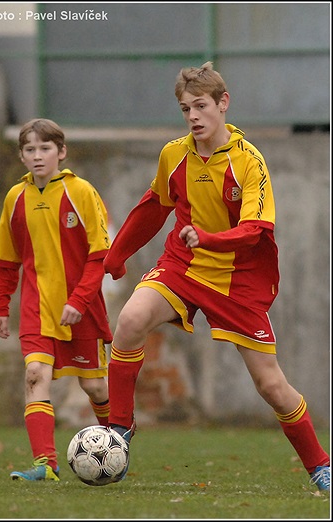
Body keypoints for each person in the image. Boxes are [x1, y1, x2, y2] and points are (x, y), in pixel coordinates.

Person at [103, 62, 330, 491]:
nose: (192, 116)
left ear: (223, 104)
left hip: (236, 280)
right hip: (182, 266)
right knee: (130, 321)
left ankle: (321, 465)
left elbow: (255, 231)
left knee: (271, 385)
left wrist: (206, 237)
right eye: (185, 108)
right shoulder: (174, 154)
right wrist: (118, 255)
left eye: (201, 106)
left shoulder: (248, 161)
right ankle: (118, 431)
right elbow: (155, 205)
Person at [0, 118, 113, 481]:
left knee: (94, 386)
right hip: (36, 308)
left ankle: (117, 442)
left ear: (61, 152)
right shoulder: (15, 198)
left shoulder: (82, 192)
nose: (38, 155)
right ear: (22, 156)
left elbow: (99, 256)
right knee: (34, 375)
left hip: (82, 308)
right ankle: (46, 464)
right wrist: (1, 307)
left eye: (45, 148)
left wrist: (78, 299)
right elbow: (7, 260)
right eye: (30, 149)